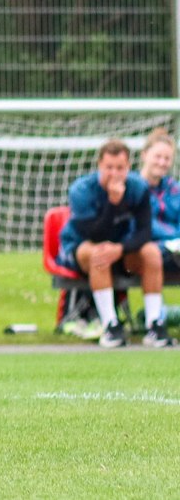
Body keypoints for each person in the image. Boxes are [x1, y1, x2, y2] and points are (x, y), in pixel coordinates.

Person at [61, 138, 170, 348]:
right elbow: (94, 233)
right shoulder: (81, 190)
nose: (114, 173)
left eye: (120, 168)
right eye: (109, 167)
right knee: (99, 253)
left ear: (128, 167)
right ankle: (111, 326)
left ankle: (155, 324)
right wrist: (113, 202)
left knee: (151, 253)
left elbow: (145, 232)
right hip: (84, 246)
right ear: (100, 165)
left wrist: (120, 249)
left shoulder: (138, 188)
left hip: (121, 248)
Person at [143, 129, 180, 276]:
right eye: (158, 156)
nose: (162, 162)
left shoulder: (175, 188)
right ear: (144, 154)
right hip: (142, 252)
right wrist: (172, 237)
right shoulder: (132, 187)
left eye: (167, 158)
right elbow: (141, 226)